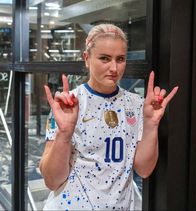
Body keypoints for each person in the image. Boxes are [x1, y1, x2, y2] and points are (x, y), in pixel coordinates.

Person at [39, 23, 178, 210]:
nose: (114, 67)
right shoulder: (68, 104)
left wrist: (151, 124)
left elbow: (144, 170)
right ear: (87, 58)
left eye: (120, 59)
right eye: (104, 58)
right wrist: (64, 133)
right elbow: (52, 180)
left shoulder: (137, 105)